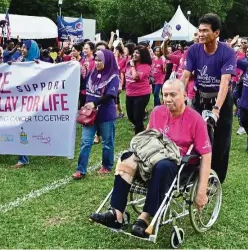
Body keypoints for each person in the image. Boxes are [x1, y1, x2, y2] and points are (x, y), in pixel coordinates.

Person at [90, 79, 212, 237]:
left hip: (178, 164)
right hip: (151, 158)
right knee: (127, 158)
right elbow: (147, 137)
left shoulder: (196, 120)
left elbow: (206, 155)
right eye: (165, 94)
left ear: (184, 95)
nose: (168, 99)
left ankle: (145, 217)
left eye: (173, 95)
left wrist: (202, 190)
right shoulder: (157, 112)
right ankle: (116, 214)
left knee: (162, 166)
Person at [182, 13, 236, 183]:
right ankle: (195, 174)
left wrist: (216, 110)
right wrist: (178, 97)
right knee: (196, 138)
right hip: (200, 98)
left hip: (221, 101)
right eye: (199, 30)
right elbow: (185, 76)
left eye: (205, 31)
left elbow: (225, 82)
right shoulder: (193, 50)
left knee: (221, 142)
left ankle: (216, 180)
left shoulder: (227, 52)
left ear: (216, 33)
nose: (201, 34)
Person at [72, 50, 120, 179]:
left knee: (107, 142)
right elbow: (83, 86)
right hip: (89, 114)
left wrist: (95, 103)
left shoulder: (113, 76)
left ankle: (107, 165)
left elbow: (111, 95)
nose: (97, 63)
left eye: (100, 60)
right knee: (86, 142)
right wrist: (78, 70)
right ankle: (81, 169)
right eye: (96, 60)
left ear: (107, 61)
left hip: (105, 114)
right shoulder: (92, 72)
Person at [125, 45, 152, 135]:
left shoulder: (145, 66)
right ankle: (142, 128)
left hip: (141, 95)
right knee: (130, 117)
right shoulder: (130, 63)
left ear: (143, 55)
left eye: (137, 53)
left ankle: (138, 138)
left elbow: (135, 77)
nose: (134, 54)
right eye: (134, 52)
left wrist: (132, 66)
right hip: (129, 94)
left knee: (137, 118)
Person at [114, 44, 126, 118]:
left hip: (118, 81)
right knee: (116, 99)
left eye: (115, 51)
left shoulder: (123, 60)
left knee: (115, 99)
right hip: (113, 80)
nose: (114, 52)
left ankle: (113, 114)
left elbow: (121, 73)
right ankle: (121, 112)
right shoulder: (114, 58)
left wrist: (120, 85)